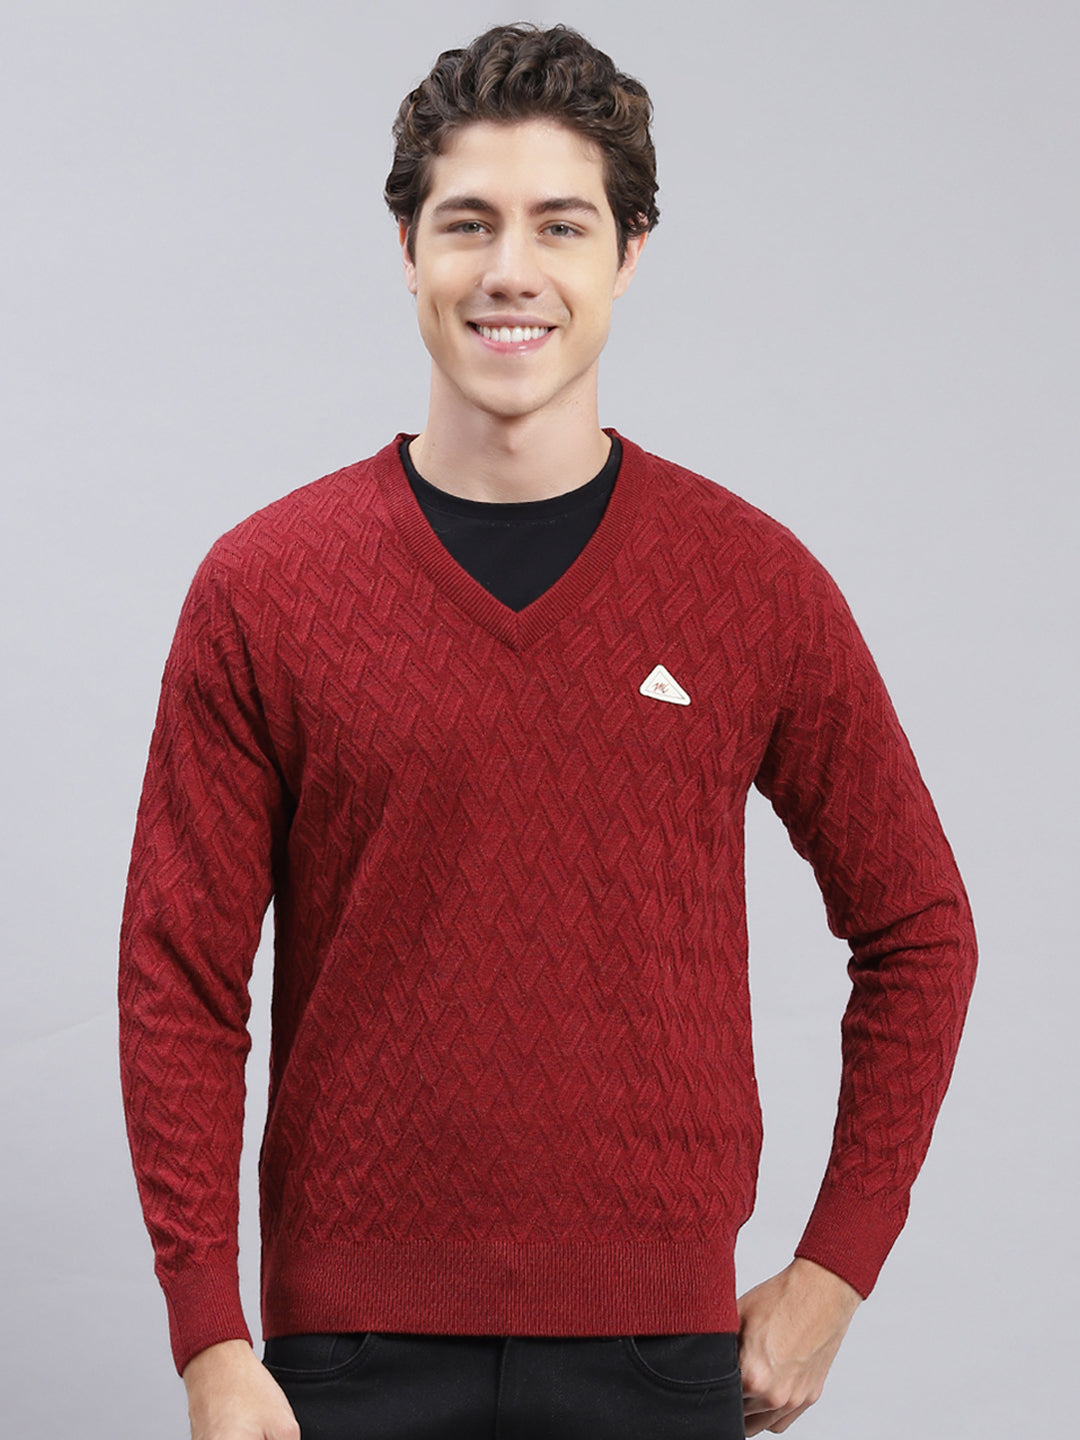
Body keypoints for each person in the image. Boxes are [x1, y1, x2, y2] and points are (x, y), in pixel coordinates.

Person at [119, 22, 977, 1440]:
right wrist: (207, 1333)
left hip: (657, 1354)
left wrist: (838, 1266)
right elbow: (178, 975)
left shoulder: (750, 583)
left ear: (629, 253)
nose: (510, 269)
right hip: (343, 1357)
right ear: (407, 250)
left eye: (560, 225)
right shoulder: (265, 588)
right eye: (469, 222)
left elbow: (920, 927)